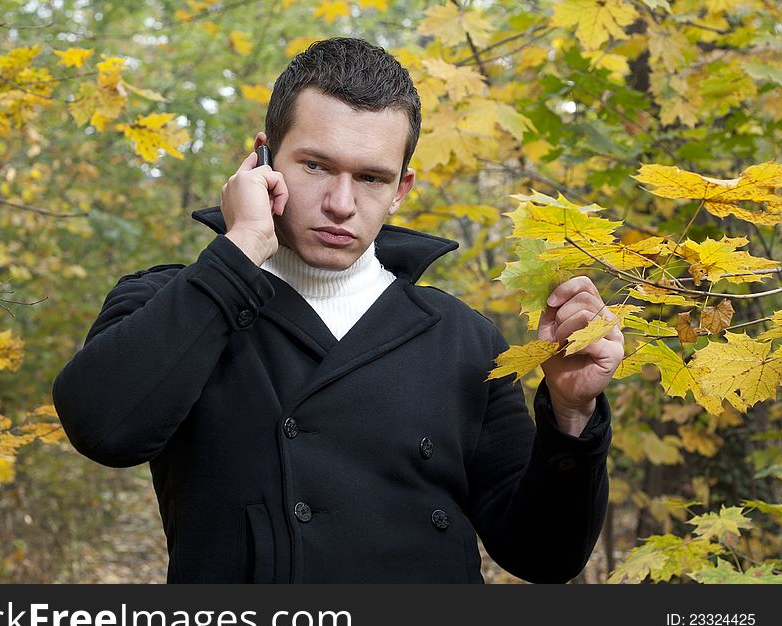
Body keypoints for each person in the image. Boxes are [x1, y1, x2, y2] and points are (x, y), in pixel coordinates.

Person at [52, 38, 624, 583]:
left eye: (371, 177)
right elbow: (105, 430)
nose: (342, 204)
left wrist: (572, 415)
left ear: (401, 188)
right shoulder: (174, 302)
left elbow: (543, 554)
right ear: (262, 159)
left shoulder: (462, 338)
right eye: (316, 167)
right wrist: (240, 249)